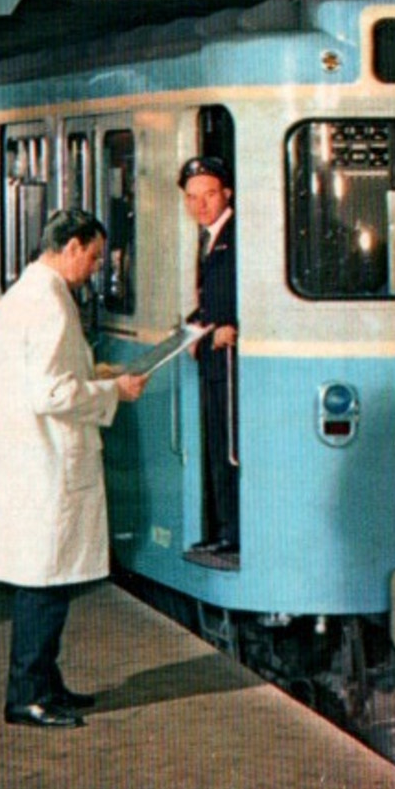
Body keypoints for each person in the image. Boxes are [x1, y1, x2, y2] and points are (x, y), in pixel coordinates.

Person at [0, 208, 146, 729]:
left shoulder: (28, 294)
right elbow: (49, 393)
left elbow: (44, 375)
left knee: (47, 581)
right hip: (45, 463)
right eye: (93, 256)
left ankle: (46, 683)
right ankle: (26, 695)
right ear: (70, 247)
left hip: (34, 459)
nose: (95, 267)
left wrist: (92, 373)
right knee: (44, 585)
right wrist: (111, 390)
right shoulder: (48, 302)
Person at [179, 156, 239, 559]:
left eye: (210, 195)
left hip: (232, 367)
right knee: (217, 447)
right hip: (216, 364)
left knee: (228, 449)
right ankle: (222, 529)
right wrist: (194, 326)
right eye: (192, 197)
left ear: (227, 194)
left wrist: (225, 328)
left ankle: (231, 533)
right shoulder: (210, 236)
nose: (200, 205)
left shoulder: (238, 237)